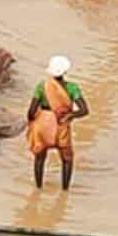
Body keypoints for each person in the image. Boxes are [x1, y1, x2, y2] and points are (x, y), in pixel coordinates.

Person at [26, 55, 89, 190]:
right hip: (61, 124)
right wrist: (70, 116)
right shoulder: (72, 88)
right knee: (67, 159)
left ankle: (38, 188)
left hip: (42, 124)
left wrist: (32, 123)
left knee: (40, 158)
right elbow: (84, 110)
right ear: (65, 72)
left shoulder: (42, 86)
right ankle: (65, 190)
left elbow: (31, 111)